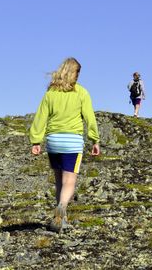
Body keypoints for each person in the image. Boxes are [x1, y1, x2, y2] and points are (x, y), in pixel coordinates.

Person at [29, 57, 100, 233]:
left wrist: (36, 140)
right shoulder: (81, 92)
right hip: (72, 142)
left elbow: (40, 117)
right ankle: (61, 207)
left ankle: (61, 217)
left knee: (59, 179)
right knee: (70, 181)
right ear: (74, 73)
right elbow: (90, 118)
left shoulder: (50, 93)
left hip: (53, 141)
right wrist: (95, 140)